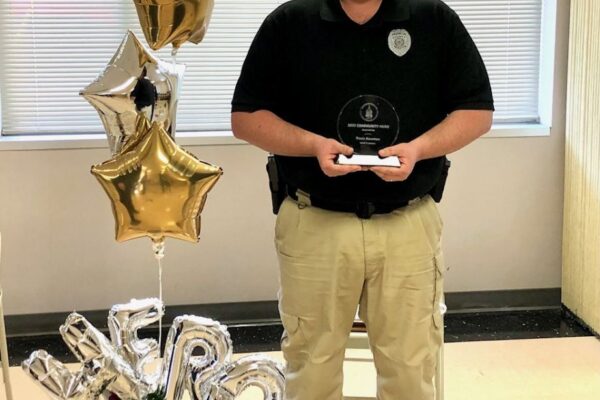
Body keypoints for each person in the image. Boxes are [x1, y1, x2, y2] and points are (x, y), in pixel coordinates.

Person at [231, 0, 494, 399]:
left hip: (407, 225)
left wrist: (419, 149)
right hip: (314, 224)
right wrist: (312, 145)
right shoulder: (289, 22)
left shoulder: (433, 19)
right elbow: (246, 118)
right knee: (311, 374)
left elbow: (476, 111)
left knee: (410, 374)